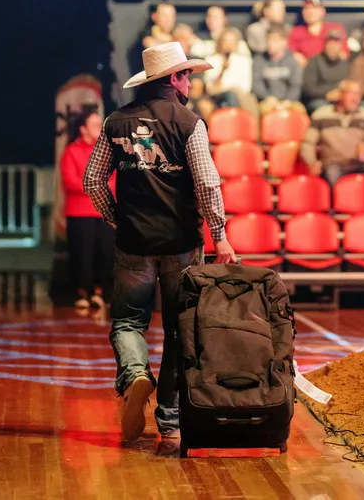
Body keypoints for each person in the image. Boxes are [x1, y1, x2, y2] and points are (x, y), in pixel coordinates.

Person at [82, 42, 236, 443]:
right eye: (187, 75)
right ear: (174, 79)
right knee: (177, 329)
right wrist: (219, 235)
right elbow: (206, 181)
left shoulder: (116, 122)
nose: (190, 82)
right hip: (182, 244)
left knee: (128, 322)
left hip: (134, 243)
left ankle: (135, 375)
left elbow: (92, 180)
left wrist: (117, 218)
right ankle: (169, 416)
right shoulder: (188, 122)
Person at [59, 109, 115, 311]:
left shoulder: (108, 151)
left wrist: (95, 186)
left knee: (105, 253)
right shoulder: (71, 151)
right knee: (82, 254)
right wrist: (97, 186)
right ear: (83, 129)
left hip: (104, 212)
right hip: (79, 212)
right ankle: (82, 291)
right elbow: (70, 180)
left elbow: (115, 180)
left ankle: (100, 292)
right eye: (95, 125)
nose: (100, 129)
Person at [300, 80, 364, 186]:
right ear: (340, 94)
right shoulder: (321, 114)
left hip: (358, 162)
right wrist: (312, 162)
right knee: (332, 173)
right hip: (333, 162)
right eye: (351, 93)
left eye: (358, 94)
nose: (355, 99)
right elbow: (308, 142)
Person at [199, 28, 257, 118]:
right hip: (217, 97)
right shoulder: (211, 60)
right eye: (226, 41)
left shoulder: (244, 61)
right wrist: (223, 70)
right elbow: (211, 88)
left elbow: (245, 87)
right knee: (230, 95)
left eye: (232, 41)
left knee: (234, 96)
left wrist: (227, 88)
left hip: (240, 97)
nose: (229, 44)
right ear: (220, 43)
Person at [252, 26, 304, 114]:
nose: (270, 44)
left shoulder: (292, 61)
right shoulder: (259, 60)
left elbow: (296, 85)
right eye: (268, 40)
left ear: (284, 42)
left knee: (299, 111)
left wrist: (288, 100)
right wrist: (267, 97)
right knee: (264, 111)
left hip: (289, 101)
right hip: (267, 101)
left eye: (275, 41)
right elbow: (257, 83)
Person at [301, 26, 352, 113]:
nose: (333, 46)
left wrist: (341, 94)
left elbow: (350, 85)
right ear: (325, 44)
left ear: (341, 45)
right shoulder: (314, 61)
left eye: (336, 42)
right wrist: (327, 94)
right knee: (323, 109)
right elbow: (308, 89)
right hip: (319, 99)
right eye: (330, 42)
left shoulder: (344, 64)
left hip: (341, 99)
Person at [288, 0, 345, 64]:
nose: (310, 12)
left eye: (314, 8)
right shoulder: (296, 32)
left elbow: (344, 54)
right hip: (306, 71)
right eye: (307, 8)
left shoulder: (335, 29)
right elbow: (288, 54)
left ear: (323, 11)